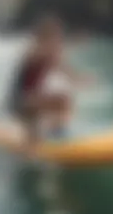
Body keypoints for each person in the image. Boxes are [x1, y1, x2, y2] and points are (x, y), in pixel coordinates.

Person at [8, 14, 92, 155]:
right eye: (55, 35)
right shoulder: (34, 52)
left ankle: (55, 134)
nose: (58, 38)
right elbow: (51, 59)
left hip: (31, 100)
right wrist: (73, 43)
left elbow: (62, 67)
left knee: (62, 100)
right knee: (61, 100)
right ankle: (50, 137)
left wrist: (81, 79)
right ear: (43, 37)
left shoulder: (47, 51)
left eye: (59, 35)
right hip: (20, 102)